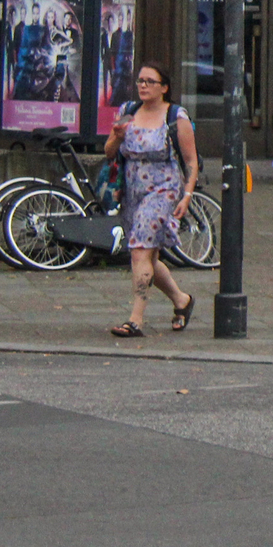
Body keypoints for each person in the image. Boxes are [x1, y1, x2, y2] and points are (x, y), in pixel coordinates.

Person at [107, 62, 199, 339]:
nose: (143, 86)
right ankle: (182, 300)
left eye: (149, 81)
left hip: (164, 190)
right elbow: (109, 152)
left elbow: (192, 162)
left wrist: (187, 195)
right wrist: (116, 136)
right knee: (148, 255)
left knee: (139, 250)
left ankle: (135, 319)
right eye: (140, 81)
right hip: (133, 191)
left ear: (164, 87)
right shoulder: (128, 112)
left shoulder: (175, 117)